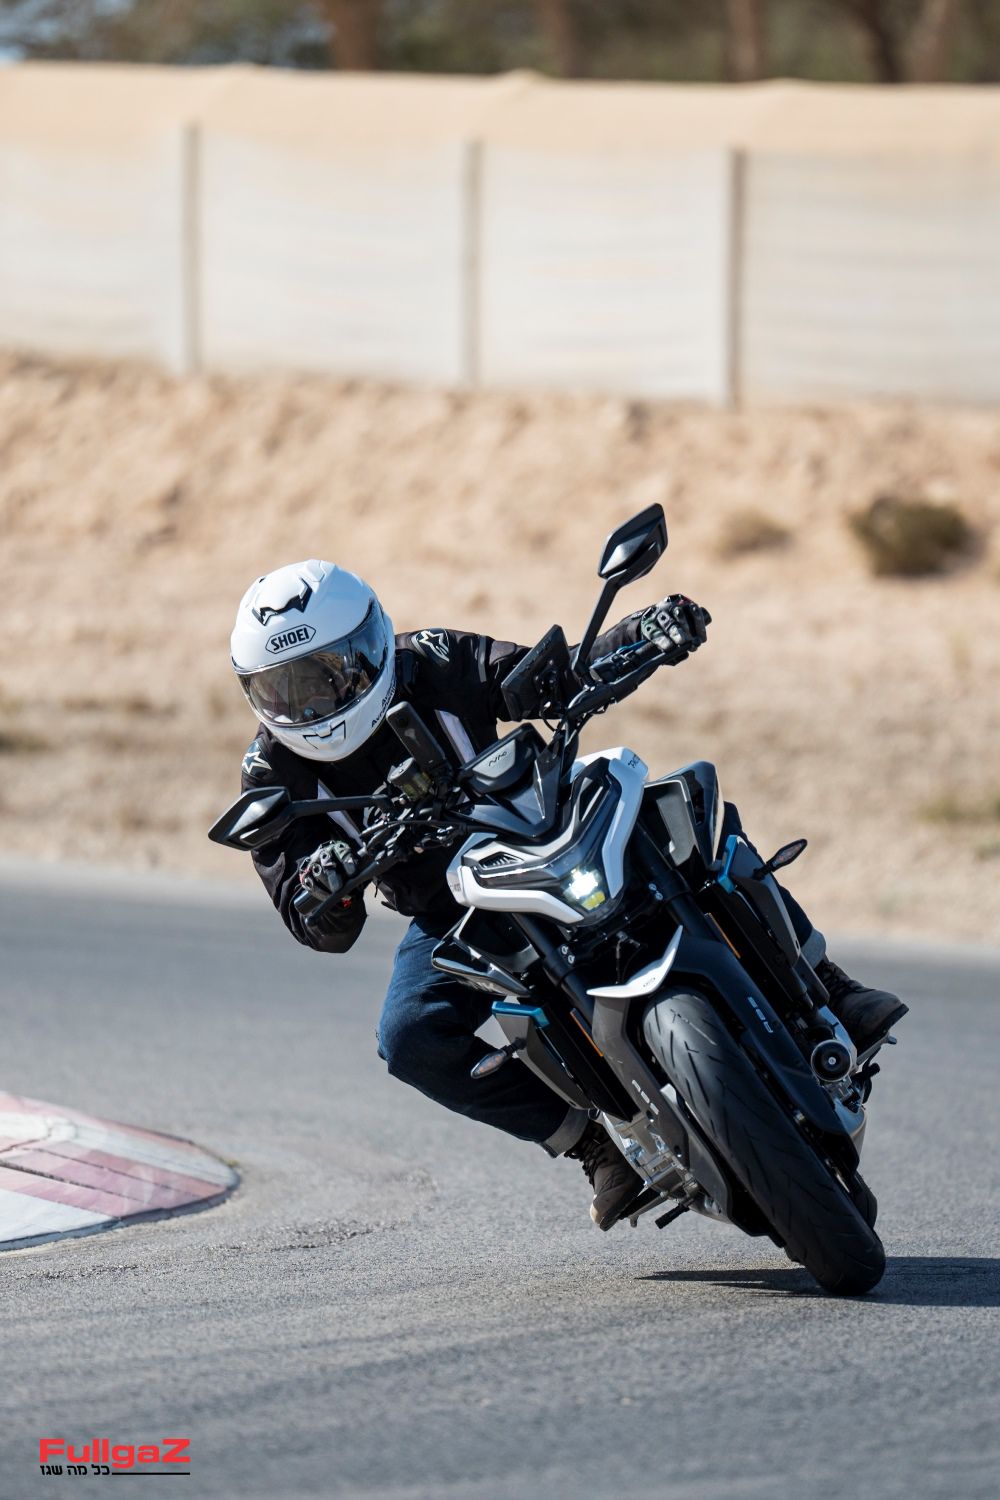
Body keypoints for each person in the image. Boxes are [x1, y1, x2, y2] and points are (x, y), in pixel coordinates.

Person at [231, 558, 907, 1230]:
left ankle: (828, 986)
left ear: (369, 646)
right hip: (456, 909)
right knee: (408, 1037)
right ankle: (594, 1145)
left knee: (688, 810)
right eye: (279, 688)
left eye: (322, 674)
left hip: (547, 826)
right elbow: (314, 920)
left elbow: (545, 677)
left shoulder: (433, 658)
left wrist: (644, 632)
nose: (306, 702)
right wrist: (326, 884)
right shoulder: (270, 773)